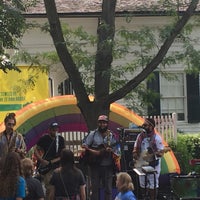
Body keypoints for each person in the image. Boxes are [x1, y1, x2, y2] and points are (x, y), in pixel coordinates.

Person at [82, 115, 118, 200]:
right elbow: (85, 145)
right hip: (95, 165)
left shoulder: (111, 135)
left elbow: (116, 148)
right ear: (98, 123)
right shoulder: (93, 134)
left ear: (107, 124)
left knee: (108, 189)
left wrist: (111, 150)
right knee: (95, 188)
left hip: (108, 165)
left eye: (104, 123)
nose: (102, 124)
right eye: (101, 122)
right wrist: (94, 151)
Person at [132, 118, 164, 200]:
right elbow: (135, 148)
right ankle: (144, 197)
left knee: (153, 183)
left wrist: (152, 155)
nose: (143, 126)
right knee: (142, 183)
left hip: (154, 164)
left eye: (145, 125)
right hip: (142, 163)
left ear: (151, 126)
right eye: (143, 125)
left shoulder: (157, 138)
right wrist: (135, 155)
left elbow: (161, 153)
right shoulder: (140, 136)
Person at [34, 122, 66, 199]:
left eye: (56, 129)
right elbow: (36, 149)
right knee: (49, 187)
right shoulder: (44, 138)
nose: (55, 131)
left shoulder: (60, 139)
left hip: (57, 166)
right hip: (47, 168)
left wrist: (53, 161)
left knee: (58, 186)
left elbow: (63, 154)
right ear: (49, 130)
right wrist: (41, 160)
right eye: (53, 129)